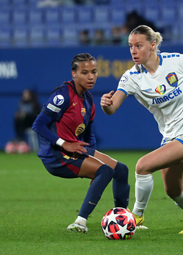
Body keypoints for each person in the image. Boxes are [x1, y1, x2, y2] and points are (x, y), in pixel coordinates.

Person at [101, 25, 183, 234]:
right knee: (173, 190)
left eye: (139, 45)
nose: (133, 50)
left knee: (143, 166)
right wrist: (106, 104)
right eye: (131, 46)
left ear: (152, 45)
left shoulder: (178, 61)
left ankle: (136, 216)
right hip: (170, 137)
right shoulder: (131, 77)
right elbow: (113, 107)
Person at [32, 53, 130, 234]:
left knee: (121, 170)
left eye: (94, 71)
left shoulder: (89, 99)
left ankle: (123, 219)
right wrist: (63, 143)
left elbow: (89, 137)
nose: (91, 76)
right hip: (56, 155)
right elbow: (38, 125)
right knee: (105, 170)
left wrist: (92, 156)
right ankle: (80, 222)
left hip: (75, 150)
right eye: (85, 72)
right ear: (74, 74)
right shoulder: (62, 96)